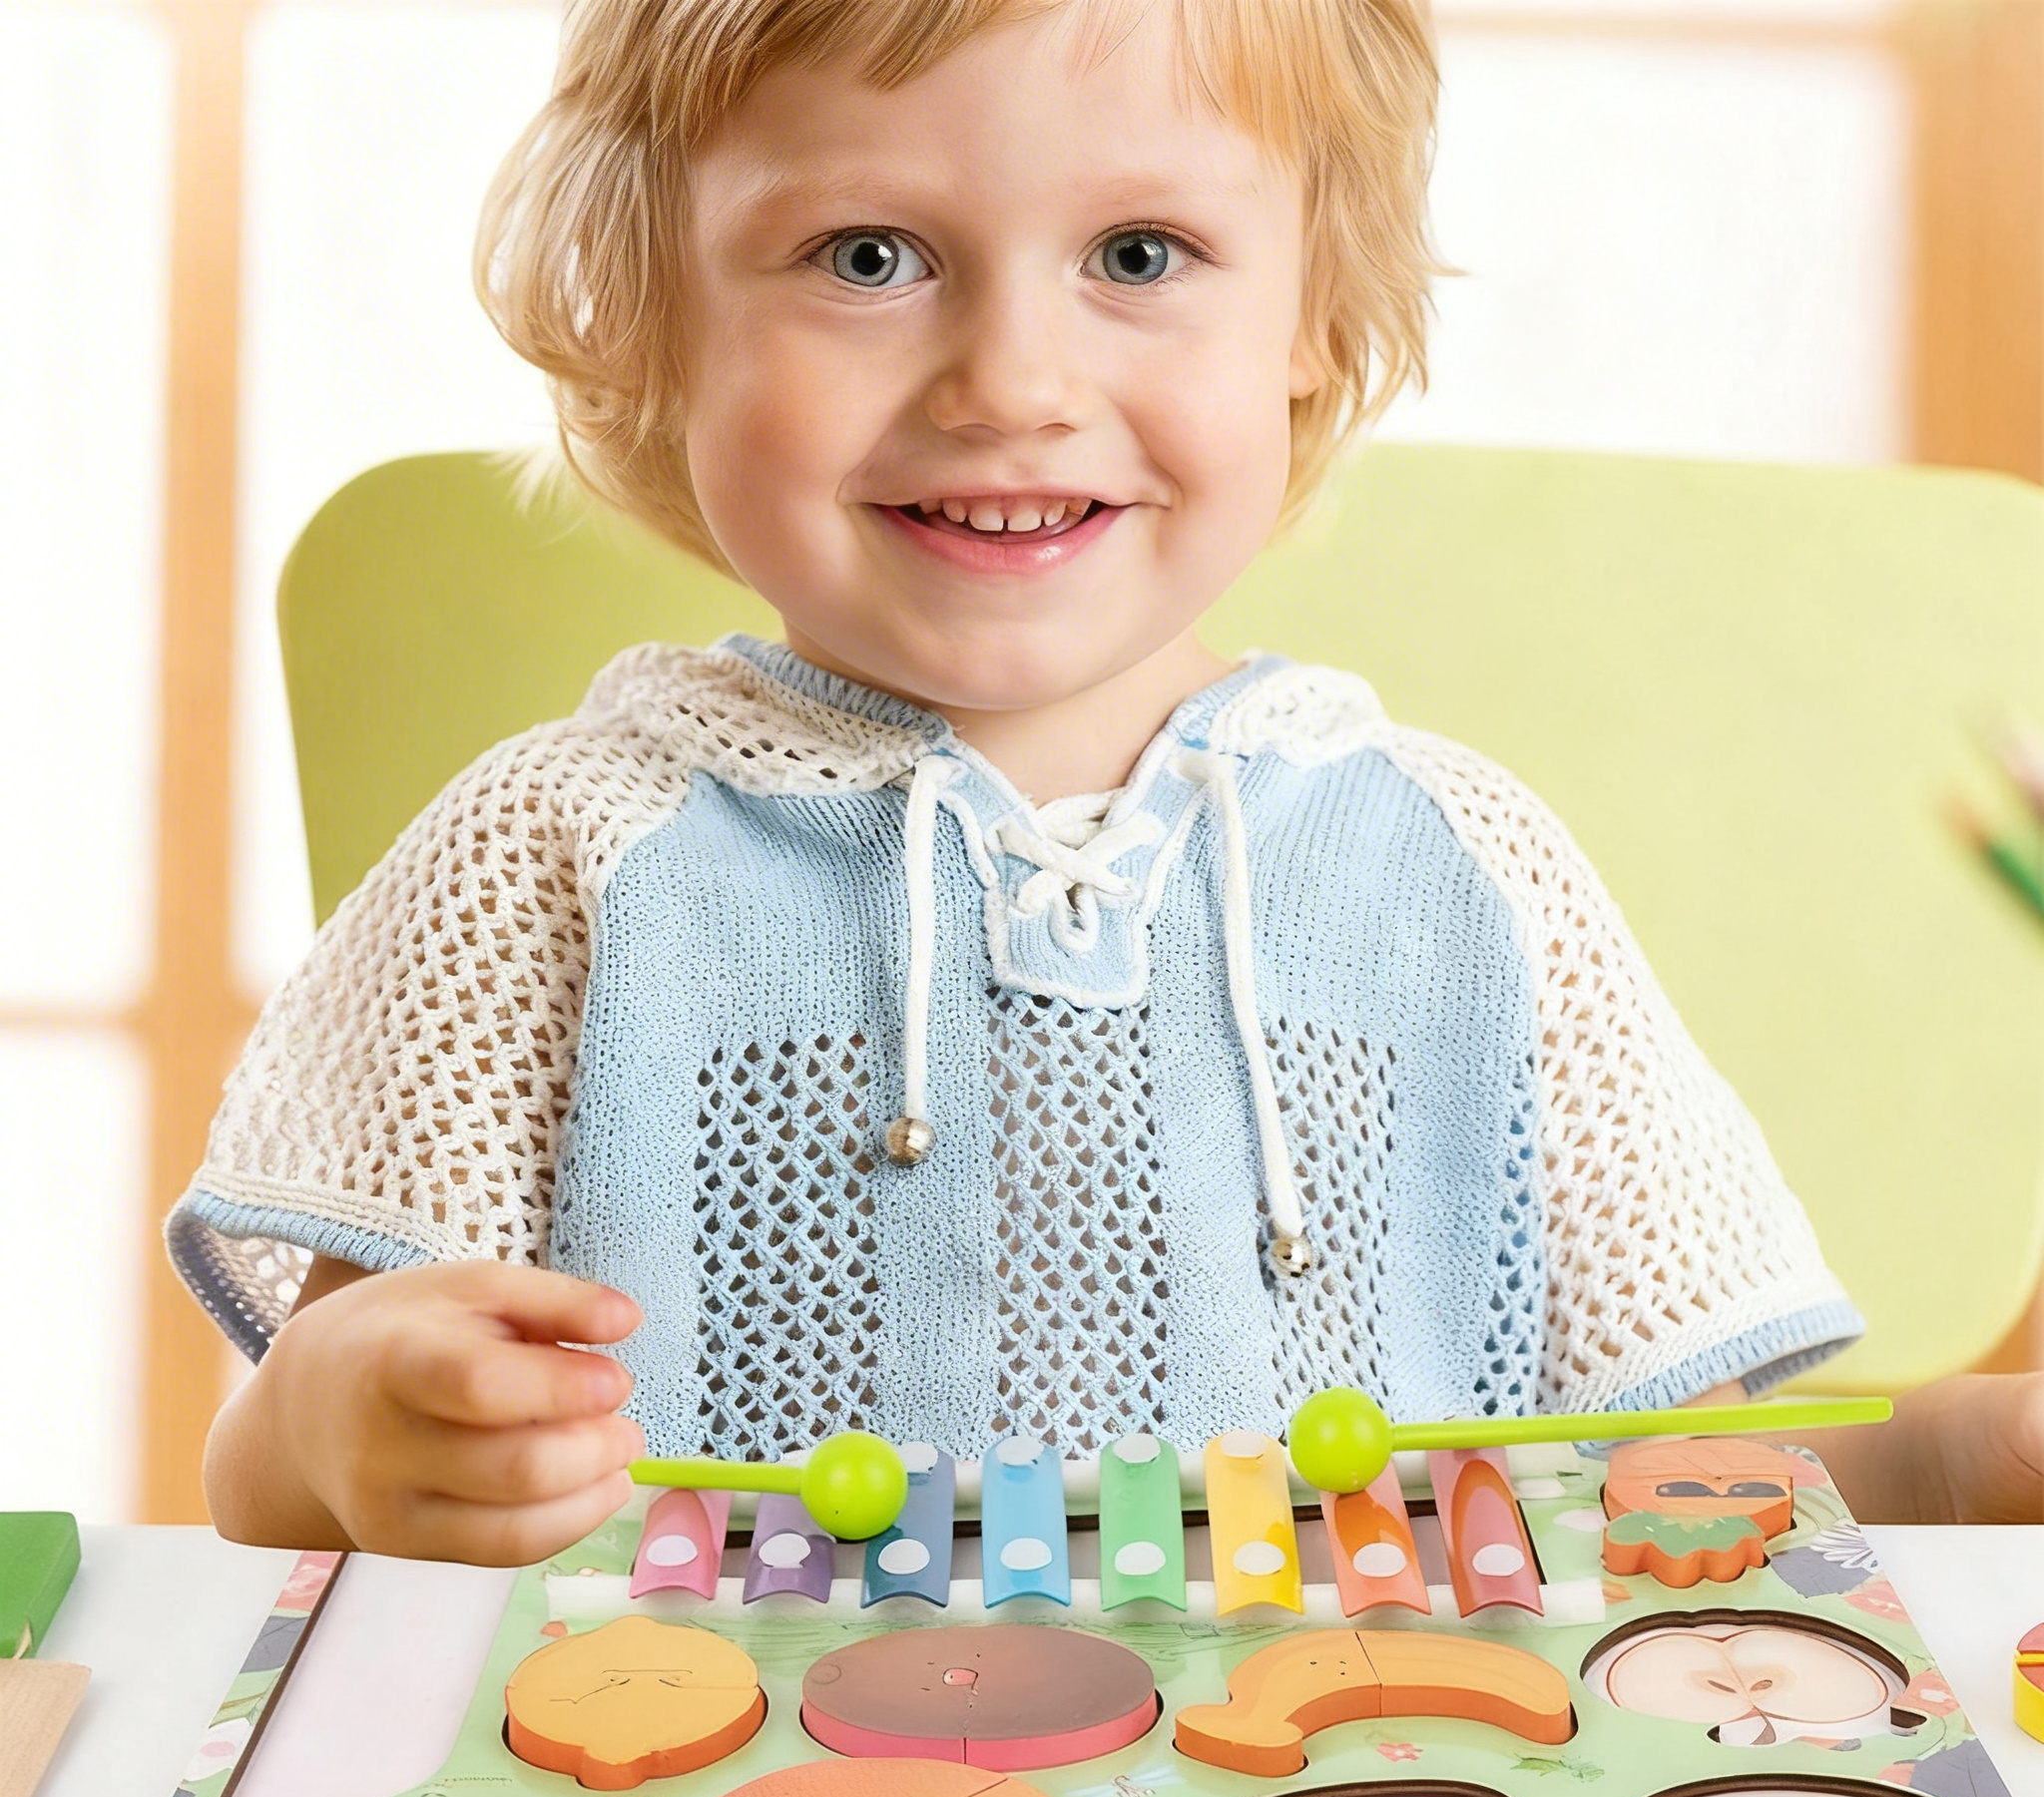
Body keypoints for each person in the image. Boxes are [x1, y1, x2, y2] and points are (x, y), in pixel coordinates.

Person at [175, 0, 2040, 1565]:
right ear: (660, 314)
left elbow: (1662, 1487)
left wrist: (1946, 1471)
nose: (1011, 380)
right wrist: (343, 1432)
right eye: (867, 257)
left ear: (1313, 311)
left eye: (1140, 258)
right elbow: (263, 1479)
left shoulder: (1464, 871)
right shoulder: (560, 851)